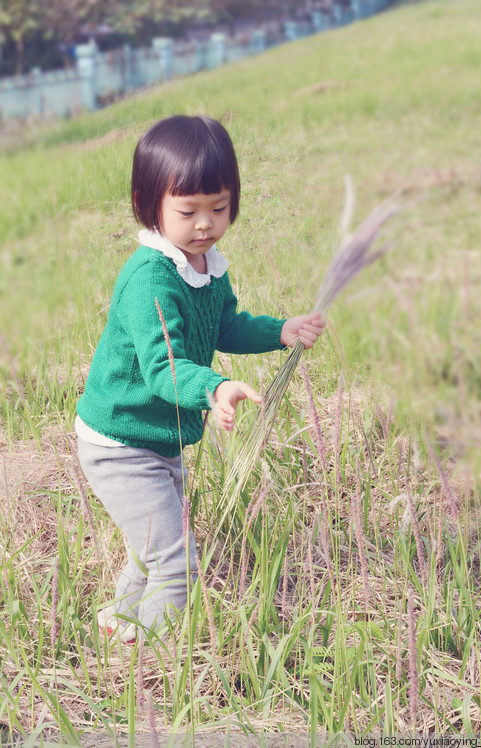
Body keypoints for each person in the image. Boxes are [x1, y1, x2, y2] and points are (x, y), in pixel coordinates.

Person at [76, 115, 325, 643]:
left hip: (156, 436)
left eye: (219, 207)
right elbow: (163, 367)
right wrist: (213, 387)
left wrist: (282, 330)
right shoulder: (151, 278)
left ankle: (119, 625)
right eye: (188, 211)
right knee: (177, 563)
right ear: (151, 205)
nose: (205, 224)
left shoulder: (207, 263)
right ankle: (152, 661)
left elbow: (225, 324)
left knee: (155, 548)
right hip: (120, 440)